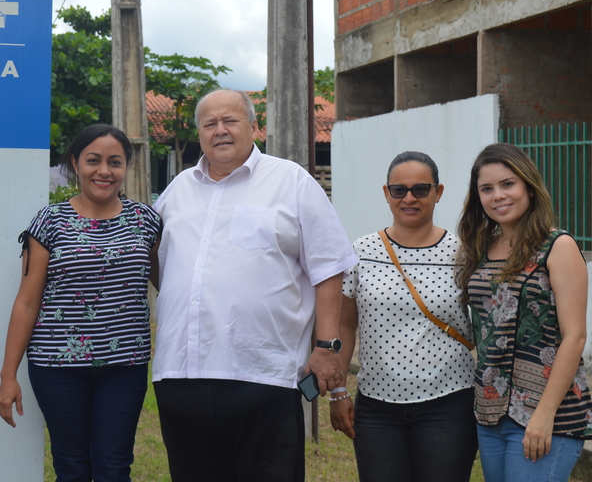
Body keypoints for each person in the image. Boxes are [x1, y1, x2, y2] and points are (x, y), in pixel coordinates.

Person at [151, 89, 357, 482]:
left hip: (263, 376)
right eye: (210, 124)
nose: (220, 131)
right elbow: (161, 264)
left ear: (253, 125)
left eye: (231, 121)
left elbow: (330, 266)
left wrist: (327, 346)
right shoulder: (177, 190)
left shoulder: (290, 181)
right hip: (181, 376)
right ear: (199, 133)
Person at [0, 123, 161, 482]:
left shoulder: (146, 221)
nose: (104, 171)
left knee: (114, 468)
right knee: (71, 467)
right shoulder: (50, 221)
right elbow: (27, 302)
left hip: (125, 366)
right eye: (93, 160)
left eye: (115, 162)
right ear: (75, 163)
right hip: (57, 367)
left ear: (126, 167)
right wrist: (8, 375)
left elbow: (170, 286)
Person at [330, 151, 477, 482]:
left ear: (438, 192)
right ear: (387, 193)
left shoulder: (465, 255)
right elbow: (345, 323)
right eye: (399, 190)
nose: (409, 198)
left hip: (448, 404)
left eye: (421, 189)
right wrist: (339, 392)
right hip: (377, 408)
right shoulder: (362, 252)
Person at [456, 142, 592, 482]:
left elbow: (574, 337)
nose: (498, 196)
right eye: (486, 189)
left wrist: (544, 415)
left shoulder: (557, 246)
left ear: (528, 187)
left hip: (547, 414)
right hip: (490, 413)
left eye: (508, 184)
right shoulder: (480, 249)